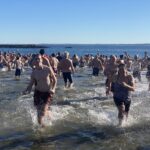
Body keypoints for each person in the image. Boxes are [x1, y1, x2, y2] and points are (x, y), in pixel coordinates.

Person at [23, 54, 57, 127]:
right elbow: (31, 84)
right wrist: (27, 90)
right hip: (38, 93)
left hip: (47, 93)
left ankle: (42, 128)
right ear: (34, 62)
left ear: (42, 60)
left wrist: (53, 89)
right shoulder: (34, 72)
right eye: (36, 59)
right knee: (38, 112)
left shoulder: (47, 69)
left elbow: (55, 80)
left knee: (41, 113)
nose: (37, 60)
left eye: (39, 59)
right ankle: (42, 126)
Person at [107, 61, 135, 126]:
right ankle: (120, 125)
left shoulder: (129, 77)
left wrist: (126, 85)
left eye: (123, 68)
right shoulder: (115, 76)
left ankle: (125, 123)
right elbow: (109, 80)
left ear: (125, 68)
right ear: (118, 69)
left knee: (126, 113)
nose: (122, 70)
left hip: (127, 97)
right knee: (121, 109)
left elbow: (133, 89)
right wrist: (108, 89)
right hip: (117, 97)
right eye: (120, 68)